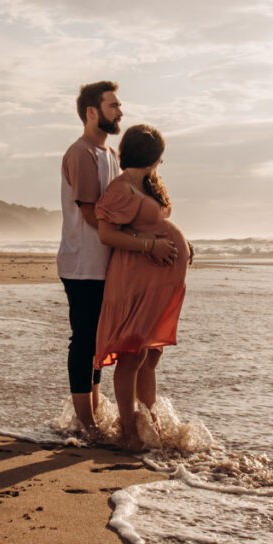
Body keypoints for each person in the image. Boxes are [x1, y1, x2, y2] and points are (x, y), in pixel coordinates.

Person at [56, 83, 178, 440]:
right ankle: (87, 422)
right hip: (83, 263)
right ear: (92, 111)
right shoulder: (81, 154)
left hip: (106, 263)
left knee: (97, 340)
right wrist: (145, 242)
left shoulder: (108, 153)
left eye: (119, 105)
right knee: (84, 340)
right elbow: (96, 216)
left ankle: (94, 412)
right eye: (113, 105)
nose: (120, 111)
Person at [94, 124, 191, 450]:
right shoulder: (120, 189)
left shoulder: (149, 186)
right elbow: (107, 235)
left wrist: (182, 244)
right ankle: (128, 431)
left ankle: (151, 423)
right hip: (135, 281)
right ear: (155, 156)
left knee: (151, 355)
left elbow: (155, 225)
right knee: (132, 355)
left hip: (158, 285)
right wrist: (153, 246)